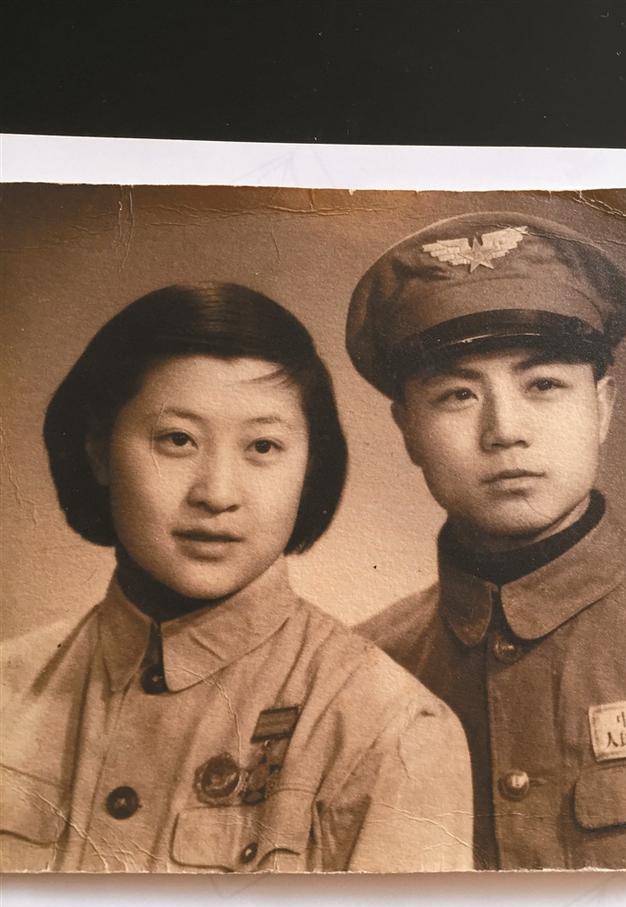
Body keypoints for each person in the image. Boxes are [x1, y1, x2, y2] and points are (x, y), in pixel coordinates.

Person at [1, 282, 473, 874]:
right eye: (177, 440)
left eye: (263, 446)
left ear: (310, 467)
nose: (217, 494)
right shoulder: (9, 689)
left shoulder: (388, 728)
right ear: (98, 451)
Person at [346, 212, 626, 870]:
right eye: (458, 394)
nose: (504, 430)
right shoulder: (359, 674)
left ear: (602, 406)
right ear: (407, 429)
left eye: (543, 385)